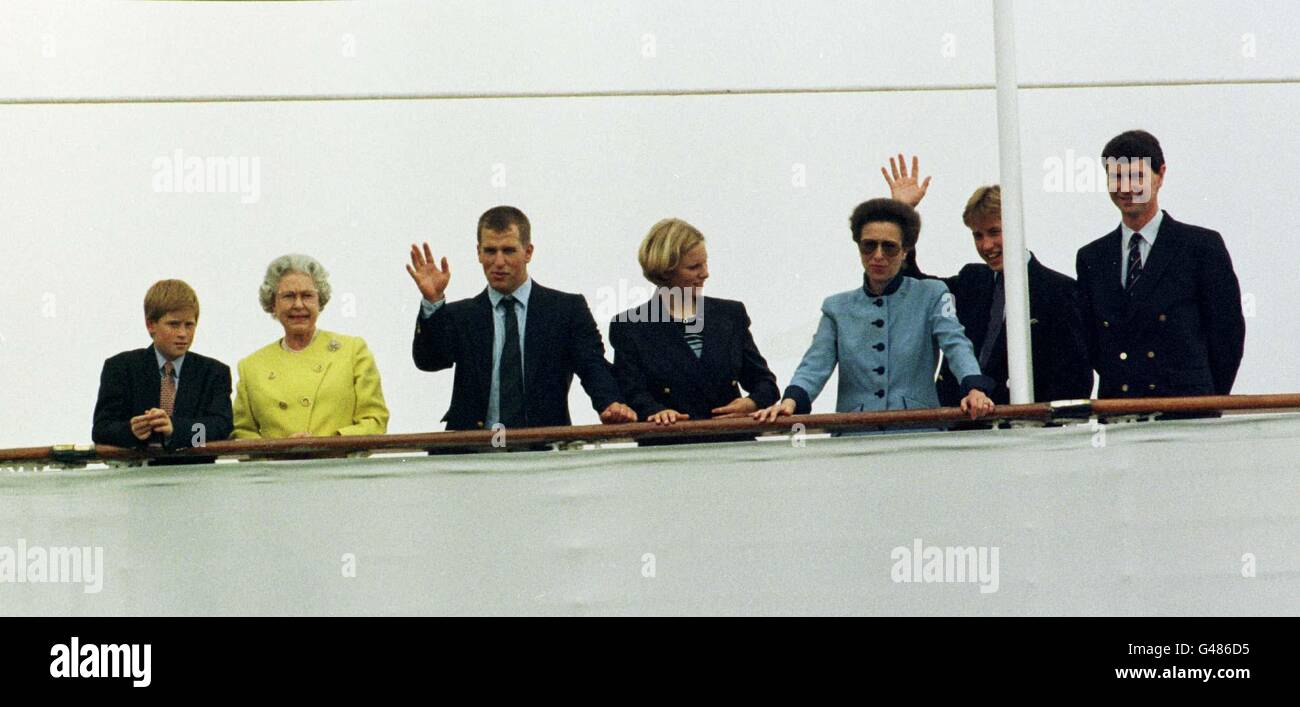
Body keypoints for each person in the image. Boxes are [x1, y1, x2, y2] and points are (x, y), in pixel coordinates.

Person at [753, 199, 996, 426]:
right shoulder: (836, 308)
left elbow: (956, 343)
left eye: (889, 247)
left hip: (916, 432)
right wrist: (791, 401)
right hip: (855, 434)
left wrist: (974, 387)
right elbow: (814, 366)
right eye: (869, 246)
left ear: (904, 251)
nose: (878, 256)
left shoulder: (932, 294)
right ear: (858, 247)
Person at [408, 205, 637, 433]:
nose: (498, 262)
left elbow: (591, 365)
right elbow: (429, 361)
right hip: (474, 454)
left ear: (528, 252)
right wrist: (433, 302)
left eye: (508, 251)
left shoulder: (565, 310)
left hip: (540, 453)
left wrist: (610, 403)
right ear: (478, 253)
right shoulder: (462, 315)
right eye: (490, 251)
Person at [1075, 130, 1245, 401]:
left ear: (1160, 175)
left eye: (1136, 176)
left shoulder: (1200, 247)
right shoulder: (1092, 258)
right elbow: (1092, 343)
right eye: (1117, 177)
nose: (1126, 188)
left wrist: (1207, 400)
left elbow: (1227, 336)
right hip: (1121, 412)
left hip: (1185, 414)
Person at [905, 184, 1093, 405]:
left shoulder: (1058, 290)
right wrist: (903, 212)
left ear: (1016, 227)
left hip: (1020, 429)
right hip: (956, 425)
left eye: (994, 232)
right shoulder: (971, 279)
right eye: (977, 235)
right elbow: (915, 287)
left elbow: (1075, 379)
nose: (986, 245)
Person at [608, 218, 780, 444]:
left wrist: (752, 403)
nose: (705, 273)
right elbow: (631, 390)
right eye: (694, 267)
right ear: (666, 270)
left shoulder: (730, 314)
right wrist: (655, 411)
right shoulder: (629, 326)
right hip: (668, 451)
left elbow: (764, 382)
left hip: (732, 448)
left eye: (705, 264)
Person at [233, 255, 389, 438]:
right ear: (272, 304)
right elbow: (242, 432)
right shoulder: (251, 366)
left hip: (337, 464)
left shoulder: (353, 351)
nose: (298, 305)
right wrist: (278, 453)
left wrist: (329, 443)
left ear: (319, 301)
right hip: (278, 466)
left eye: (307, 296)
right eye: (288, 296)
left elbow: (375, 421)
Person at [92, 279, 233, 461]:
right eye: (174, 324)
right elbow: (101, 430)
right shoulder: (120, 368)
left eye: (189, 325)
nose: (183, 333)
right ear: (151, 325)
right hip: (136, 481)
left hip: (195, 479)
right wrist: (131, 431)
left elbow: (221, 428)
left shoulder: (214, 373)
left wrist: (175, 429)